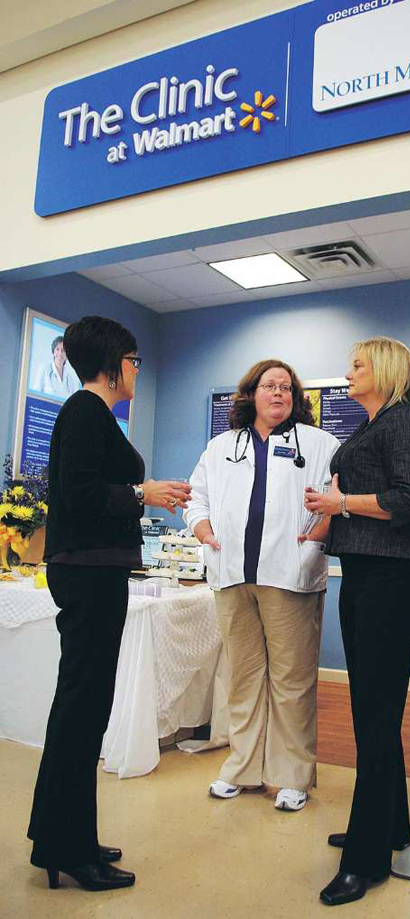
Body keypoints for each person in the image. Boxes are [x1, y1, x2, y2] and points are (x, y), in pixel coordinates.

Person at [27, 316, 191, 892]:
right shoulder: (84, 411)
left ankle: (62, 836)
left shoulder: (94, 415)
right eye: (134, 360)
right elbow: (79, 493)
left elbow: (93, 491)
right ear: (113, 362)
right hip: (88, 575)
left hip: (95, 572)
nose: (137, 371)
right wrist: (141, 492)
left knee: (84, 707)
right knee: (81, 708)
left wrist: (143, 495)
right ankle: (68, 848)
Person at [304, 336, 410, 906]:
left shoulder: (404, 422)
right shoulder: (372, 425)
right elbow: (352, 496)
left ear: (384, 369)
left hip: (391, 574)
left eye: (357, 364)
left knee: (375, 713)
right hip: (364, 569)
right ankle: (390, 825)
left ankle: (366, 859)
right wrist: (323, 519)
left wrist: (339, 506)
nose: (348, 371)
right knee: (375, 707)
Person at [185, 359, 339, 811]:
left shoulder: (319, 443)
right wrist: (205, 533)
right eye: (270, 386)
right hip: (232, 575)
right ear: (251, 393)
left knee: (292, 680)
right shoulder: (220, 447)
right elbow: (197, 498)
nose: (279, 394)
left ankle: (291, 775)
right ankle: (243, 767)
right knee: (244, 677)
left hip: (289, 575)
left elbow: (333, 500)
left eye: (287, 388)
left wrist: (317, 536)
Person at [33, 335, 81, 399]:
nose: (60, 353)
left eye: (63, 350)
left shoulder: (69, 379)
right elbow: (35, 396)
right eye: (57, 349)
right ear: (53, 351)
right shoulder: (44, 369)